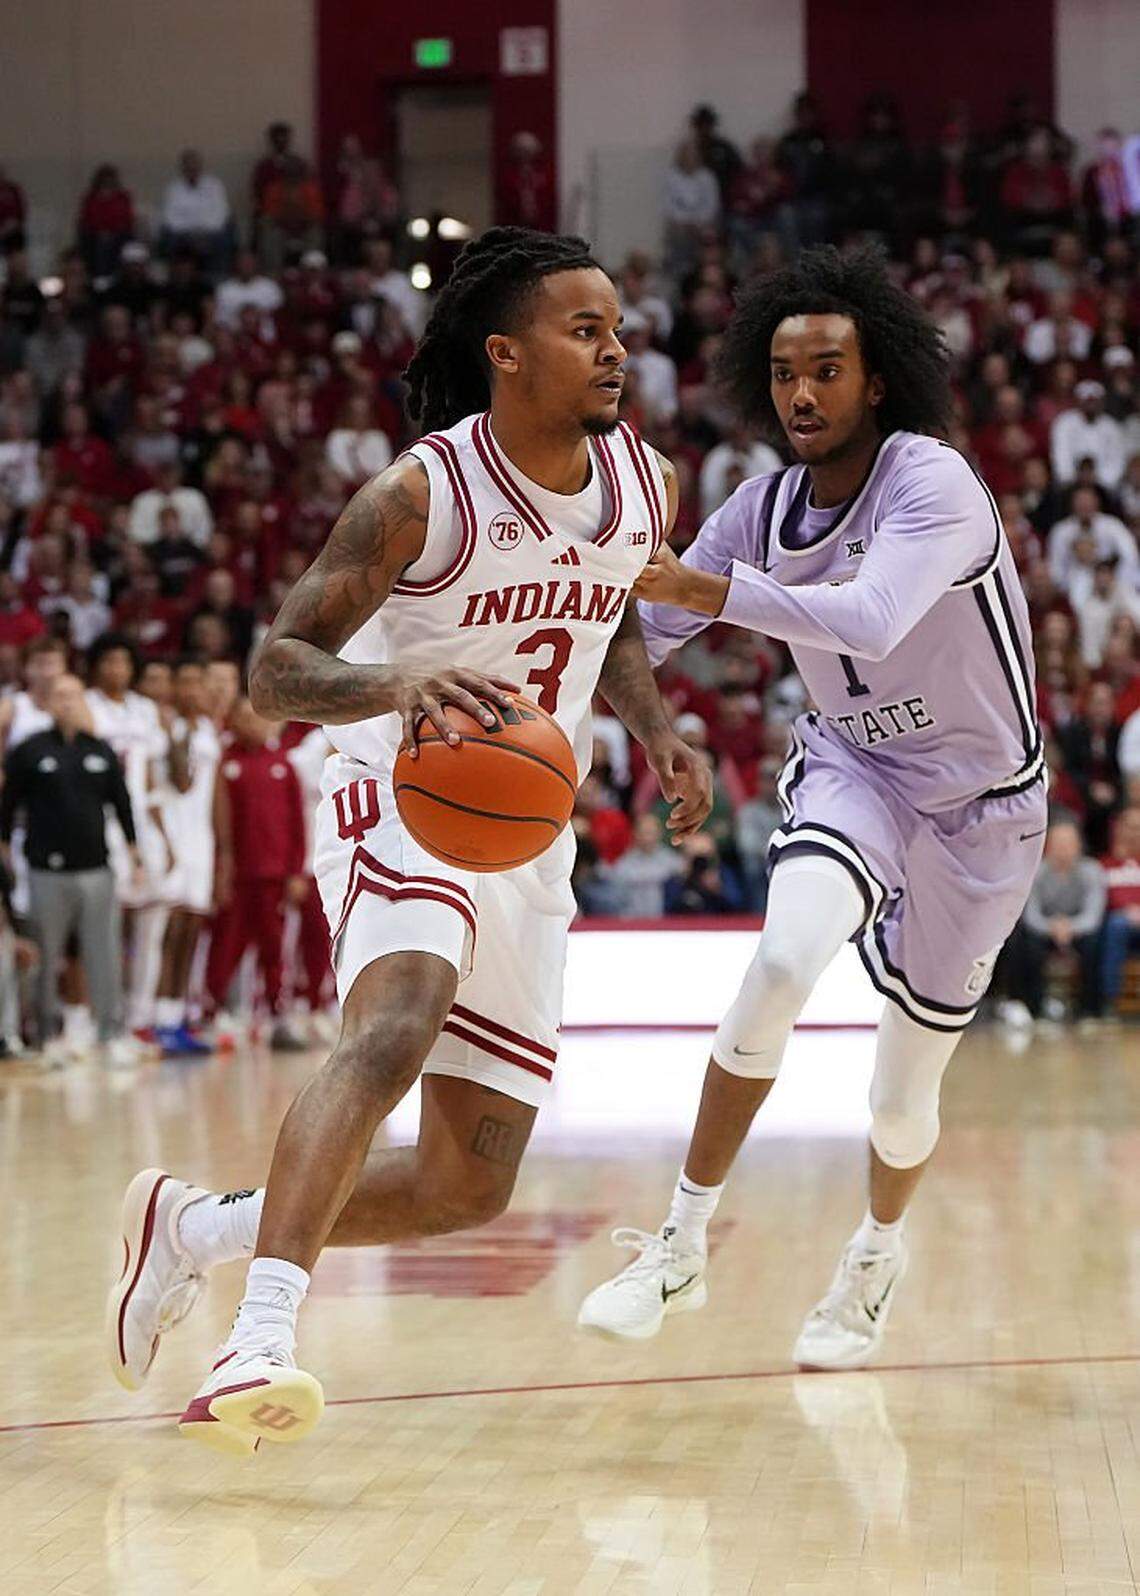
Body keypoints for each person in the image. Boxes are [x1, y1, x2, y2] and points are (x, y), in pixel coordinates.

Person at [105, 226, 711, 1450]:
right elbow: (276, 668)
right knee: (398, 1016)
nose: (614, 349)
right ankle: (256, 1342)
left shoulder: (645, 482)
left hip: (526, 829)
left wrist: (655, 732)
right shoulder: (422, 494)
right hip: (401, 783)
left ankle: (192, 1227)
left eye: (617, 329)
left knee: (464, 1186)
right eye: (583, 330)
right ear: (506, 353)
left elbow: (615, 618)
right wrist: (399, 690)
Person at [578, 244, 1048, 1368]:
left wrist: (708, 588)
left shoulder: (931, 482)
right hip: (858, 770)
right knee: (783, 962)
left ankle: (876, 1256)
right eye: (786, 372)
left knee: (900, 1099)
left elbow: (872, 616)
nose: (802, 393)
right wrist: (587, 683)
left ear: (876, 379)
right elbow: (640, 635)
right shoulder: (758, 506)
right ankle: (680, 1242)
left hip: (984, 814)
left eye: (828, 369)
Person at [0, 673, 142, 1068]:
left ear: (84, 701)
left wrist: (135, 853)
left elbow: (122, 803)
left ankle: (109, 1035)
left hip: (97, 869)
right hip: (46, 872)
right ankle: (48, 1037)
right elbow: (7, 807)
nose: (67, 703)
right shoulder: (29, 752)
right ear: (47, 702)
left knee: (105, 954)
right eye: (59, 696)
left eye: (74, 696)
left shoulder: (100, 751)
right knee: (47, 956)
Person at [152, 658, 221, 1054]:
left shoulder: (208, 729)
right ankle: (155, 1018)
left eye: (200, 682)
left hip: (201, 840)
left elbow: (211, 794)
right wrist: (179, 737)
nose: (194, 690)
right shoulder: (170, 729)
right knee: (171, 932)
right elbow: (181, 781)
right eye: (187, 682)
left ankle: (176, 1018)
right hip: (174, 838)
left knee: (192, 931)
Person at [1002, 819, 1105, 1026]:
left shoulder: (1093, 871)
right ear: (1047, 846)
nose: (1063, 850)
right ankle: (1036, 1008)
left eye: (1069, 844)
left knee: (1097, 942)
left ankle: (1090, 1010)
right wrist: (1053, 928)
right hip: (1044, 930)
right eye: (1058, 844)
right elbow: (1031, 915)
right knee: (1024, 941)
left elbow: (1093, 916)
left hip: (1079, 931)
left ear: (1079, 846)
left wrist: (1070, 927)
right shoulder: (1036, 871)